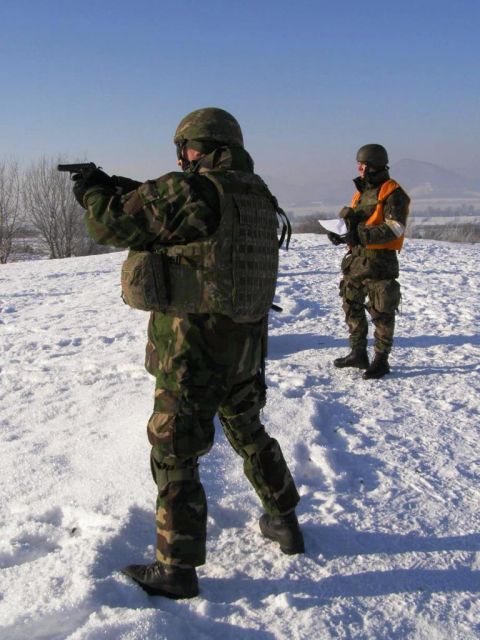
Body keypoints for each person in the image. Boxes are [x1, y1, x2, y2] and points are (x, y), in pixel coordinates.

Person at [72, 107, 304, 599]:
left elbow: (110, 223)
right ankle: (284, 520)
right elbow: (185, 222)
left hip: (191, 350)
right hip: (245, 344)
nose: (182, 158)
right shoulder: (256, 194)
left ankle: (175, 569)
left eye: (187, 149)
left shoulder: (197, 191)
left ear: (204, 147)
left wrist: (93, 191)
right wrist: (129, 187)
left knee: (174, 450)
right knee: (248, 430)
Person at [328, 144, 410, 379]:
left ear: (373, 166)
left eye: (362, 165)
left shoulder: (393, 193)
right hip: (357, 262)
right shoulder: (361, 193)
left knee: (381, 312)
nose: (359, 169)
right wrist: (341, 233)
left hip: (380, 263)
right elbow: (356, 224)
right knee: (351, 304)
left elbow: (395, 228)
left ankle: (381, 360)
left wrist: (360, 235)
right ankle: (358, 353)